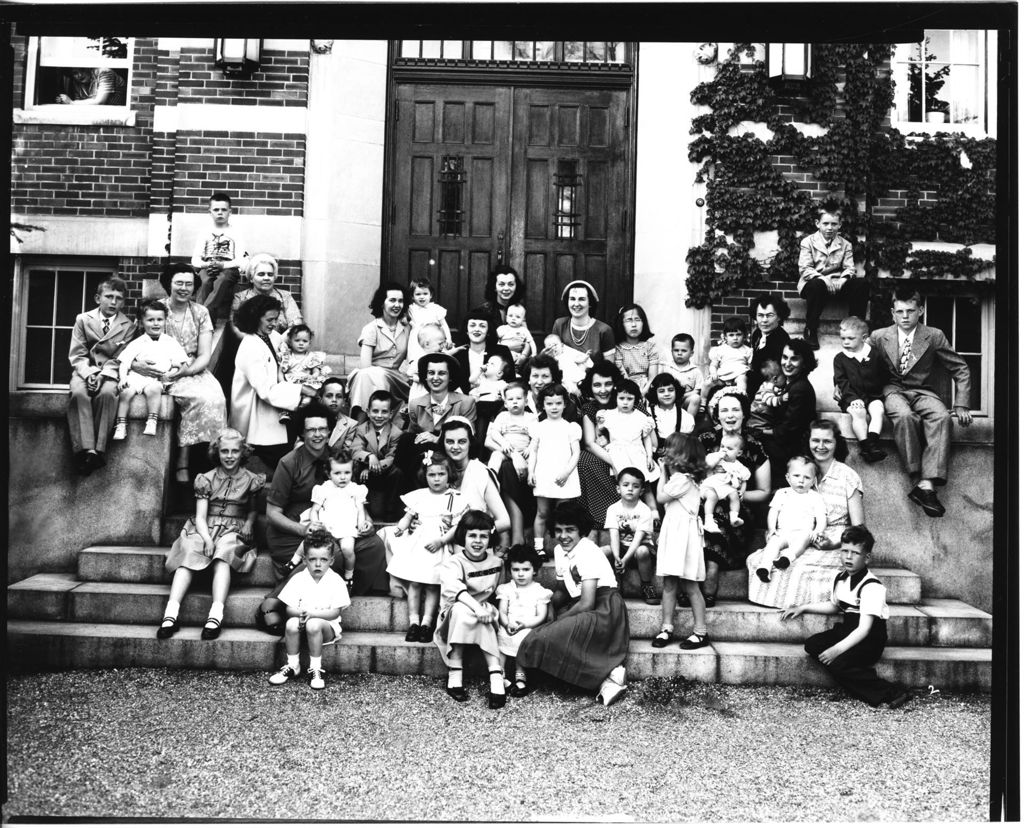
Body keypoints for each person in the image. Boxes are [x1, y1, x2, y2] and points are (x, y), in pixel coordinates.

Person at [255, 402, 389, 637]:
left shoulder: (337, 459)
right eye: (311, 430)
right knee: (332, 552)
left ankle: (333, 591)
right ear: (302, 432)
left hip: (336, 524)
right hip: (294, 530)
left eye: (322, 429)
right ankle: (274, 601)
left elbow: (354, 496)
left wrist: (364, 519)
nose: (317, 435)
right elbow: (272, 513)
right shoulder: (289, 462)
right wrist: (301, 530)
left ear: (330, 431)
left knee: (373, 545)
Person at [780, 526, 914, 709]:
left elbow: (864, 629)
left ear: (867, 557)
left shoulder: (872, 586)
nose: (848, 557)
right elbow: (835, 606)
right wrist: (803, 607)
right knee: (812, 645)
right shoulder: (841, 578)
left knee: (837, 665)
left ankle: (892, 692)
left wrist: (836, 650)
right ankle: (856, 672)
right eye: (844, 551)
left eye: (855, 553)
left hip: (869, 640)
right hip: (847, 630)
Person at [869, 286, 973, 518]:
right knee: (905, 417)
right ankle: (921, 481)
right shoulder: (878, 336)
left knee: (942, 417)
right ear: (892, 313)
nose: (905, 317)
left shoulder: (933, 335)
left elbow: (960, 367)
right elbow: (856, 361)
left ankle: (926, 483)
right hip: (892, 390)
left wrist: (962, 403)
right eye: (900, 312)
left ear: (921, 310)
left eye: (910, 311)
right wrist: (844, 389)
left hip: (922, 390)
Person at [518, 503, 630, 707]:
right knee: (544, 630)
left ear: (581, 531)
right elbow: (562, 589)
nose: (563, 536)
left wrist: (558, 620)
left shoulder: (589, 551)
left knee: (547, 634)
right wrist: (549, 604)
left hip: (603, 607)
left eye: (570, 530)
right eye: (559, 530)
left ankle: (608, 674)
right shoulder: (560, 551)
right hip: (580, 603)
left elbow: (587, 603)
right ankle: (606, 675)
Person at [747, 419, 866, 609]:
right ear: (808, 442)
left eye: (827, 441)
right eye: (815, 440)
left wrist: (834, 543)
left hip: (835, 540)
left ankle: (809, 605)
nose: (820, 446)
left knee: (798, 568)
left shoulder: (847, 476)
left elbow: (859, 527)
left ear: (837, 443)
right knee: (759, 559)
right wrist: (773, 531)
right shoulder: (800, 471)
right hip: (797, 534)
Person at [158, 428, 264, 641]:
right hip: (206, 526)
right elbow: (200, 517)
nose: (230, 456)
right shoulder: (206, 479)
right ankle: (171, 614)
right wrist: (206, 538)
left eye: (235, 451)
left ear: (242, 452)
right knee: (189, 552)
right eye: (224, 451)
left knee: (223, 555)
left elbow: (253, 509)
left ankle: (215, 615)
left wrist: (250, 523)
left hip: (235, 528)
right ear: (217, 452)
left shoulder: (251, 479)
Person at [150, 264, 228, 483]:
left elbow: (204, 354)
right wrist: (169, 370)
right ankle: (183, 460)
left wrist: (189, 370)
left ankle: (213, 458)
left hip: (194, 369)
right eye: (179, 283)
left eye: (189, 284)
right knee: (196, 398)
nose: (184, 288)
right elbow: (147, 343)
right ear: (169, 284)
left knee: (217, 398)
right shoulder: (157, 310)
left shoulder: (200, 312)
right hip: (163, 368)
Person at [694, 389, 773, 606]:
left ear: (744, 414)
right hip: (704, 500)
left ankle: (707, 575)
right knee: (708, 513)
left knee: (720, 514)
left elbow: (764, 492)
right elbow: (691, 472)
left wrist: (738, 494)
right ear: (716, 415)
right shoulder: (706, 440)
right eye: (724, 410)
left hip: (738, 508)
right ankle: (704, 577)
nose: (730, 415)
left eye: (735, 409)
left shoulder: (754, 444)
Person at [383, 450, 469, 643]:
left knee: (432, 585)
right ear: (425, 476)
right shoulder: (420, 496)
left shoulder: (454, 497)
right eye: (432, 474)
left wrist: (442, 541)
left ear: (449, 475)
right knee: (415, 583)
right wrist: (400, 528)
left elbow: (457, 526)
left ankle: (427, 624)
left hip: (438, 545)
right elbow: (408, 516)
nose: (436, 479)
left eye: (441, 474)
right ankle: (413, 622)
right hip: (418, 544)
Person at [433, 510, 507, 708]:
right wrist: (478, 609)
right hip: (454, 613)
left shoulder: (497, 563)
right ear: (462, 537)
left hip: (483, 611)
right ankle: (455, 674)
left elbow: (500, 593)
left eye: (483, 536)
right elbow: (455, 591)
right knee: (463, 610)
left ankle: (496, 677)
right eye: (472, 535)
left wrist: (493, 612)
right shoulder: (453, 563)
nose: (478, 541)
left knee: (486, 612)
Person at [230, 294, 311, 470]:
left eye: (276, 319)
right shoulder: (250, 346)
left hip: (273, 405)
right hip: (256, 413)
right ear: (255, 317)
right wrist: (301, 389)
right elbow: (265, 390)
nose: (274, 324)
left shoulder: (272, 336)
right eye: (270, 319)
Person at [66, 277, 136, 474]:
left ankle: (98, 450)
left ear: (123, 302)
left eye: (119, 298)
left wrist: (103, 375)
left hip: (110, 372)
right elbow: (77, 354)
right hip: (84, 370)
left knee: (107, 395)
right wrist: (89, 374)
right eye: (109, 297)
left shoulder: (128, 326)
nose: (114, 302)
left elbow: (120, 357)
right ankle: (85, 449)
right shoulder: (83, 319)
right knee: (79, 394)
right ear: (98, 298)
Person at [267, 528, 350, 691]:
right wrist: (302, 614)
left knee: (313, 625)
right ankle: (293, 665)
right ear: (304, 560)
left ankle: (316, 669)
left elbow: (335, 613)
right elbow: (290, 609)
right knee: (291, 623)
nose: (318, 564)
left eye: (323, 560)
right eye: (312, 559)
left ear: (331, 561)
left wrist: (311, 615)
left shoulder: (336, 580)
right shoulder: (298, 579)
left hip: (326, 627)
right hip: (303, 622)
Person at [650, 433, 710, 650]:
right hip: (675, 534)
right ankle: (666, 628)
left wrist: (663, 472)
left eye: (670, 450)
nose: (665, 453)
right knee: (669, 583)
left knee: (690, 585)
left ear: (682, 456)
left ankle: (701, 632)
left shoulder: (682, 479)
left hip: (683, 536)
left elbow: (661, 497)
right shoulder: (684, 479)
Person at [396, 353, 477, 489]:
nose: (435, 378)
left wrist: (437, 439)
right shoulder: (416, 404)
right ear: (425, 377)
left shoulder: (466, 402)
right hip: (421, 458)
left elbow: (470, 439)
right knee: (406, 440)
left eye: (442, 373)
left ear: (450, 377)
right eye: (431, 373)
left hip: (451, 451)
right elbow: (413, 436)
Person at [112, 300, 188, 440]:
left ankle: (152, 420)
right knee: (125, 392)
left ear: (165, 321)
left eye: (159, 319)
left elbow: (181, 363)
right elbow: (125, 362)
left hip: (156, 379)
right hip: (136, 377)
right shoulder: (137, 342)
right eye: (150, 320)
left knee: (154, 390)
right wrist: (123, 378)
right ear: (141, 322)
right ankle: (121, 424)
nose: (155, 323)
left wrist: (171, 373)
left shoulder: (170, 342)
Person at [797, 207, 869, 350]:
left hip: (837, 284)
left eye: (834, 224)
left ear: (839, 225)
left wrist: (843, 279)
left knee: (861, 283)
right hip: (813, 283)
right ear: (817, 223)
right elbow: (805, 269)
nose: (830, 228)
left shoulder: (845, 244)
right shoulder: (808, 242)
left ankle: (855, 328)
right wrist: (823, 279)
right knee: (817, 285)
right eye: (825, 224)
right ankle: (810, 329)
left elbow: (849, 268)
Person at [300, 448, 368, 593]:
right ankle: (293, 561)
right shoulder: (324, 488)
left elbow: (360, 510)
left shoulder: (356, 489)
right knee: (311, 540)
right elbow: (315, 510)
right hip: (328, 526)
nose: (342, 477)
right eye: (337, 473)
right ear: (329, 474)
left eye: (347, 473)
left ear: (352, 472)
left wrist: (361, 523)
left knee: (347, 548)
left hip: (347, 526)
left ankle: (349, 575)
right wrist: (314, 522)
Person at [752, 455, 828, 582]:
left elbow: (821, 518)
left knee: (804, 540)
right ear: (788, 477)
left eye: (807, 477)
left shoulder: (815, 497)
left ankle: (787, 558)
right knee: (773, 543)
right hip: (782, 531)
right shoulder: (782, 493)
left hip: (802, 532)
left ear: (814, 480)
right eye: (796, 476)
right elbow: (773, 512)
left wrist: (817, 531)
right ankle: (765, 566)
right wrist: (771, 529)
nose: (801, 481)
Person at [528, 384, 582, 558]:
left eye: (558, 403)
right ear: (543, 405)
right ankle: (538, 547)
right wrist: (531, 472)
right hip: (544, 473)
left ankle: (564, 548)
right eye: (549, 403)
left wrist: (566, 473)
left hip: (564, 475)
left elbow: (576, 454)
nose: (554, 407)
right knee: (542, 512)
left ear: (565, 404)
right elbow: (534, 451)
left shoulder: (571, 427)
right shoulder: (538, 426)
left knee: (564, 514)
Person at [756, 339, 820, 488]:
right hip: (783, 444)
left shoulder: (800, 388)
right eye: (785, 357)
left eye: (794, 358)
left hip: (790, 449)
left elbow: (787, 430)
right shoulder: (789, 384)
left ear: (804, 363)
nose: (787, 363)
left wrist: (761, 431)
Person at [483, 381, 537, 547]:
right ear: (505, 403)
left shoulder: (531, 417)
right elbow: (494, 434)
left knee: (530, 463)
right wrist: (504, 444)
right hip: (506, 451)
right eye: (511, 399)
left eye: (519, 398)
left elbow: (536, 437)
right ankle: (491, 479)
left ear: (526, 401)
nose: (515, 402)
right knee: (496, 457)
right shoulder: (502, 417)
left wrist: (530, 447)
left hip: (524, 454)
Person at [437, 417, 511, 537]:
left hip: (471, 544)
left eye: (462, 441)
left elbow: (504, 521)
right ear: (443, 443)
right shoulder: (438, 471)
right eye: (450, 441)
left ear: (470, 442)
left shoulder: (479, 472)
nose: (455, 447)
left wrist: (472, 533)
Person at [348, 281, 411, 419]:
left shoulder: (407, 329)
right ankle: (361, 425)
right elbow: (365, 366)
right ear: (382, 303)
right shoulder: (371, 328)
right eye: (392, 300)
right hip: (372, 376)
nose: (397, 305)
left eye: (400, 301)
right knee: (366, 375)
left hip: (396, 380)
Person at [496, 545, 552, 697]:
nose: (520, 574)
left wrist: (526, 625)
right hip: (510, 624)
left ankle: (520, 675)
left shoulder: (540, 591)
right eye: (516, 570)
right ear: (510, 570)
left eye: (526, 570)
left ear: (534, 570)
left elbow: (541, 615)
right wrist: (506, 623)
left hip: (528, 625)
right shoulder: (506, 589)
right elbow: (502, 610)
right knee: (501, 636)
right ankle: (499, 674)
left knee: (524, 638)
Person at [575, 360, 624, 531]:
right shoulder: (589, 408)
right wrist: (614, 463)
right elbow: (589, 443)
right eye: (597, 385)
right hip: (602, 454)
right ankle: (598, 517)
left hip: (627, 450)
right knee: (583, 460)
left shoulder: (625, 401)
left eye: (608, 384)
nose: (602, 390)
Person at [600, 378, 659, 513]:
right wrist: (602, 439)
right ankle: (628, 514)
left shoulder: (642, 418)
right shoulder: (609, 415)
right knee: (624, 485)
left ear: (636, 400)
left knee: (645, 485)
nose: (625, 402)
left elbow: (647, 438)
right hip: (618, 455)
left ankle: (654, 513)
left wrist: (649, 456)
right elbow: (601, 432)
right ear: (616, 398)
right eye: (622, 398)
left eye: (629, 399)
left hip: (636, 453)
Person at [834, 316, 888, 463]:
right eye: (843, 338)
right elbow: (841, 381)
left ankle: (872, 444)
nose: (845, 342)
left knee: (878, 410)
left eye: (850, 338)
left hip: (873, 395)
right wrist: (853, 398)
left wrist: (879, 391)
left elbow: (884, 374)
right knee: (858, 412)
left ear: (864, 338)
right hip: (851, 397)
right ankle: (865, 445)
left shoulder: (874, 355)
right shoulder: (840, 358)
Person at [191, 192, 249, 324]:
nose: (220, 213)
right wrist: (208, 265)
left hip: (228, 268)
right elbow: (195, 260)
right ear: (210, 212)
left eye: (224, 210)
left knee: (221, 280)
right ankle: (206, 323)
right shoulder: (204, 233)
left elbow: (240, 260)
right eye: (216, 209)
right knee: (204, 282)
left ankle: (201, 314)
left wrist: (222, 266)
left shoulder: (236, 233)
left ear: (230, 212)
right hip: (208, 266)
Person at [604, 467, 658, 605]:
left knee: (642, 551)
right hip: (621, 548)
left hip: (640, 550)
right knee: (603, 551)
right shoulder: (613, 509)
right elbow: (614, 535)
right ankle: (610, 585)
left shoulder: (645, 510)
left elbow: (638, 538)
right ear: (618, 488)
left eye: (635, 486)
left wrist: (625, 559)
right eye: (626, 485)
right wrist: (617, 556)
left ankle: (647, 585)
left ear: (641, 491)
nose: (630, 489)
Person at [350, 390, 403, 521]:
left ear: (391, 414)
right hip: (365, 478)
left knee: (397, 471)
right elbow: (355, 450)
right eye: (375, 411)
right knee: (353, 466)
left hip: (385, 475)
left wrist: (372, 467)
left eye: (384, 412)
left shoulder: (396, 433)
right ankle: (360, 507)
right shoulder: (362, 429)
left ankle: (390, 511)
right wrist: (369, 457)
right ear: (368, 412)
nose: (379, 416)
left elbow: (392, 458)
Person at [277, 323, 331, 442]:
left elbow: (316, 370)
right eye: (297, 340)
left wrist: (313, 377)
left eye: (305, 341)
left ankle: (303, 409)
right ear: (290, 341)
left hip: (306, 382)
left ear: (309, 343)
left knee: (307, 398)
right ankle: (286, 412)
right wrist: (282, 382)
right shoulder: (287, 356)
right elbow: (281, 371)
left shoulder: (312, 357)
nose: (301, 343)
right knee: (285, 397)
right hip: (291, 383)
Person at [549, 280, 615, 362]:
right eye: (572, 299)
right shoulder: (559, 325)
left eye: (581, 299)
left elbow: (609, 367)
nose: (576, 304)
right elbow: (552, 360)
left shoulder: (604, 330)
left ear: (590, 302)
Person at [699, 432, 750, 533]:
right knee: (712, 496)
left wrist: (742, 491)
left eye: (729, 449)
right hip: (710, 485)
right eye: (722, 446)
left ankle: (734, 517)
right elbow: (707, 466)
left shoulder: (740, 467)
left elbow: (744, 480)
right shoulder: (713, 457)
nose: (724, 450)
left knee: (734, 495)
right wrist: (718, 456)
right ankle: (709, 521)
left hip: (725, 489)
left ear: (739, 453)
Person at [605, 302, 660, 393]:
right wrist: (635, 393)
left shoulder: (650, 347)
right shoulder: (618, 349)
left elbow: (653, 378)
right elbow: (623, 376)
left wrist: (644, 392)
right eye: (629, 320)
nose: (634, 324)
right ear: (621, 324)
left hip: (648, 389)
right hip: (627, 390)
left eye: (637, 319)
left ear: (643, 323)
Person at [645, 373, 696, 470]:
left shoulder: (684, 416)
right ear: (655, 393)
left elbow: (685, 443)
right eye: (661, 391)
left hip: (678, 458)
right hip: (653, 459)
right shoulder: (648, 413)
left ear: (676, 391)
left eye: (670, 390)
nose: (667, 394)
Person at [746, 293, 792, 395]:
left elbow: (777, 373)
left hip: (771, 388)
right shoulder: (757, 333)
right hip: (754, 382)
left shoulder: (782, 339)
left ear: (779, 317)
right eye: (760, 315)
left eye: (769, 315)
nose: (764, 320)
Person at [701, 315, 752, 405]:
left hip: (738, 375)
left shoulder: (747, 350)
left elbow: (750, 366)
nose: (735, 338)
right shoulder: (720, 349)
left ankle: (742, 400)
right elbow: (714, 364)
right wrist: (713, 373)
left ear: (744, 335)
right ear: (725, 337)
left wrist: (747, 374)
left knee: (742, 380)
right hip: (722, 377)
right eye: (731, 335)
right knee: (707, 383)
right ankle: (703, 400)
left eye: (738, 334)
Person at [405, 278, 453, 366]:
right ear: (412, 296)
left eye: (425, 294)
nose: (422, 297)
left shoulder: (435, 309)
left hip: (433, 339)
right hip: (416, 341)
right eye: (418, 294)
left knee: (433, 360)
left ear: (430, 295)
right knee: (417, 360)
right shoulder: (411, 309)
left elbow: (444, 325)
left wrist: (449, 339)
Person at [472, 264, 526, 332]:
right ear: (494, 287)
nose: (506, 288)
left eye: (511, 284)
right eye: (501, 284)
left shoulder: (519, 309)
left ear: (516, 286)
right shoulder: (484, 311)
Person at [663, 333, 704, 420]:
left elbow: (697, 391)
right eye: (676, 350)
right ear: (671, 351)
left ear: (691, 353)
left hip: (685, 401)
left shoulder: (695, 371)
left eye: (684, 351)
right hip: (668, 400)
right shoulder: (666, 368)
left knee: (696, 398)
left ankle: (687, 425)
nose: (679, 353)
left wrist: (681, 396)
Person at [317, 376, 358, 452]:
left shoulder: (351, 425)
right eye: (329, 396)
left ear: (343, 401)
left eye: (339, 396)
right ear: (321, 400)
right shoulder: (309, 419)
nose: (334, 400)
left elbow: (346, 453)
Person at [746, 358, 787, 435]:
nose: (786, 379)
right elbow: (769, 400)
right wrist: (781, 399)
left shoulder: (774, 386)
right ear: (775, 379)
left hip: (764, 420)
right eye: (784, 376)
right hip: (757, 423)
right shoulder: (766, 388)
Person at [495, 302, 536, 371]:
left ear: (523, 320)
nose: (513, 319)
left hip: (518, 355)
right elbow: (495, 340)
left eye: (517, 317)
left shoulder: (524, 330)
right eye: (510, 316)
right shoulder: (502, 328)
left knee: (521, 364)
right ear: (506, 317)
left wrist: (534, 353)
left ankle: (515, 371)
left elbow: (531, 341)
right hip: (503, 353)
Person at [55, 67, 126, 105]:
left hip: (114, 117)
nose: (80, 75)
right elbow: (81, 104)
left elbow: (100, 102)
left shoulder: (104, 72)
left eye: (82, 70)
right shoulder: (77, 82)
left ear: (89, 68)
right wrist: (64, 101)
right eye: (75, 73)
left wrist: (71, 102)